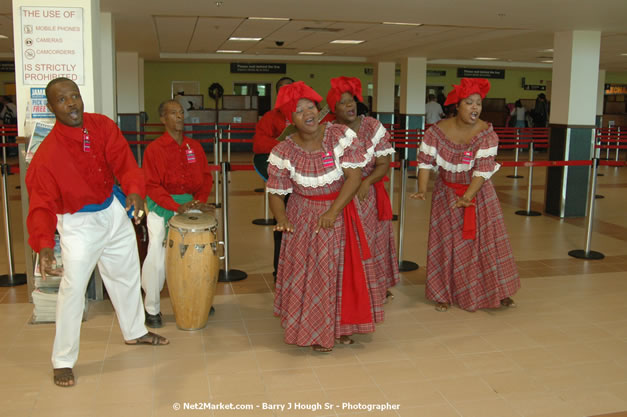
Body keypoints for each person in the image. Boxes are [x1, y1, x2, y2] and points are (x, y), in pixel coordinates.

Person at [26, 78, 169, 388]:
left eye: (74, 96)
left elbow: (125, 162)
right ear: (52, 108)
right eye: (62, 100)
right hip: (78, 225)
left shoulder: (101, 125)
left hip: (112, 211)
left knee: (126, 273)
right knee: (73, 289)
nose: (72, 103)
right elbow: (40, 206)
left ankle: (135, 331)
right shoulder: (46, 156)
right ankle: (63, 360)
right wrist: (44, 246)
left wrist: (134, 190)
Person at [268, 81, 374, 352]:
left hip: (338, 212)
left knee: (337, 273)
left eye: (310, 107)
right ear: (290, 119)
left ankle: (340, 327)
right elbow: (276, 192)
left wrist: (332, 211)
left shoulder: (338, 136)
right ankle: (314, 329)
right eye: (299, 110)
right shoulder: (283, 151)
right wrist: (281, 218)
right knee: (310, 275)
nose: (308, 113)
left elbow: (354, 176)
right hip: (302, 215)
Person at [410, 78, 520, 312]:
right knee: (446, 244)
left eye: (478, 103)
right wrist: (421, 189)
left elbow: (482, 171)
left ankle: (496, 291)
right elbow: (425, 162)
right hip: (446, 194)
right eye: (469, 103)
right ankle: (443, 292)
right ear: (457, 106)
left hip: (478, 196)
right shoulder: (436, 132)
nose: (475, 108)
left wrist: (468, 197)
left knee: (484, 244)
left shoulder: (486, 133)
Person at [326, 76, 399, 307]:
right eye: (343, 103)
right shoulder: (329, 131)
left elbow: (384, 164)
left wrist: (366, 183)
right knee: (346, 244)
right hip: (342, 195)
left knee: (372, 241)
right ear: (333, 109)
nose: (349, 106)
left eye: (352, 101)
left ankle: (375, 285)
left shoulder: (372, 127)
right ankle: (348, 287)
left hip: (367, 196)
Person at [141, 100, 214, 328]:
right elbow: (151, 185)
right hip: (161, 206)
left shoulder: (195, 147)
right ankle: (151, 307)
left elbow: (206, 177)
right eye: (173, 113)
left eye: (181, 112)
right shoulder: (154, 149)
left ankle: (198, 299)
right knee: (157, 255)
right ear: (163, 119)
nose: (179, 117)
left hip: (190, 205)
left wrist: (198, 202)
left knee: (197, 254)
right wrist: (174, 206)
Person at [252, 76, 294, 279]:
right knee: (282, 223)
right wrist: (285, 147)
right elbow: (259, 145)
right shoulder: (269, 118)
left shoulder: (307, 114)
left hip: (306, 182)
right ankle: (280, 271)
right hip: (283, 180)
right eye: (283, 91)